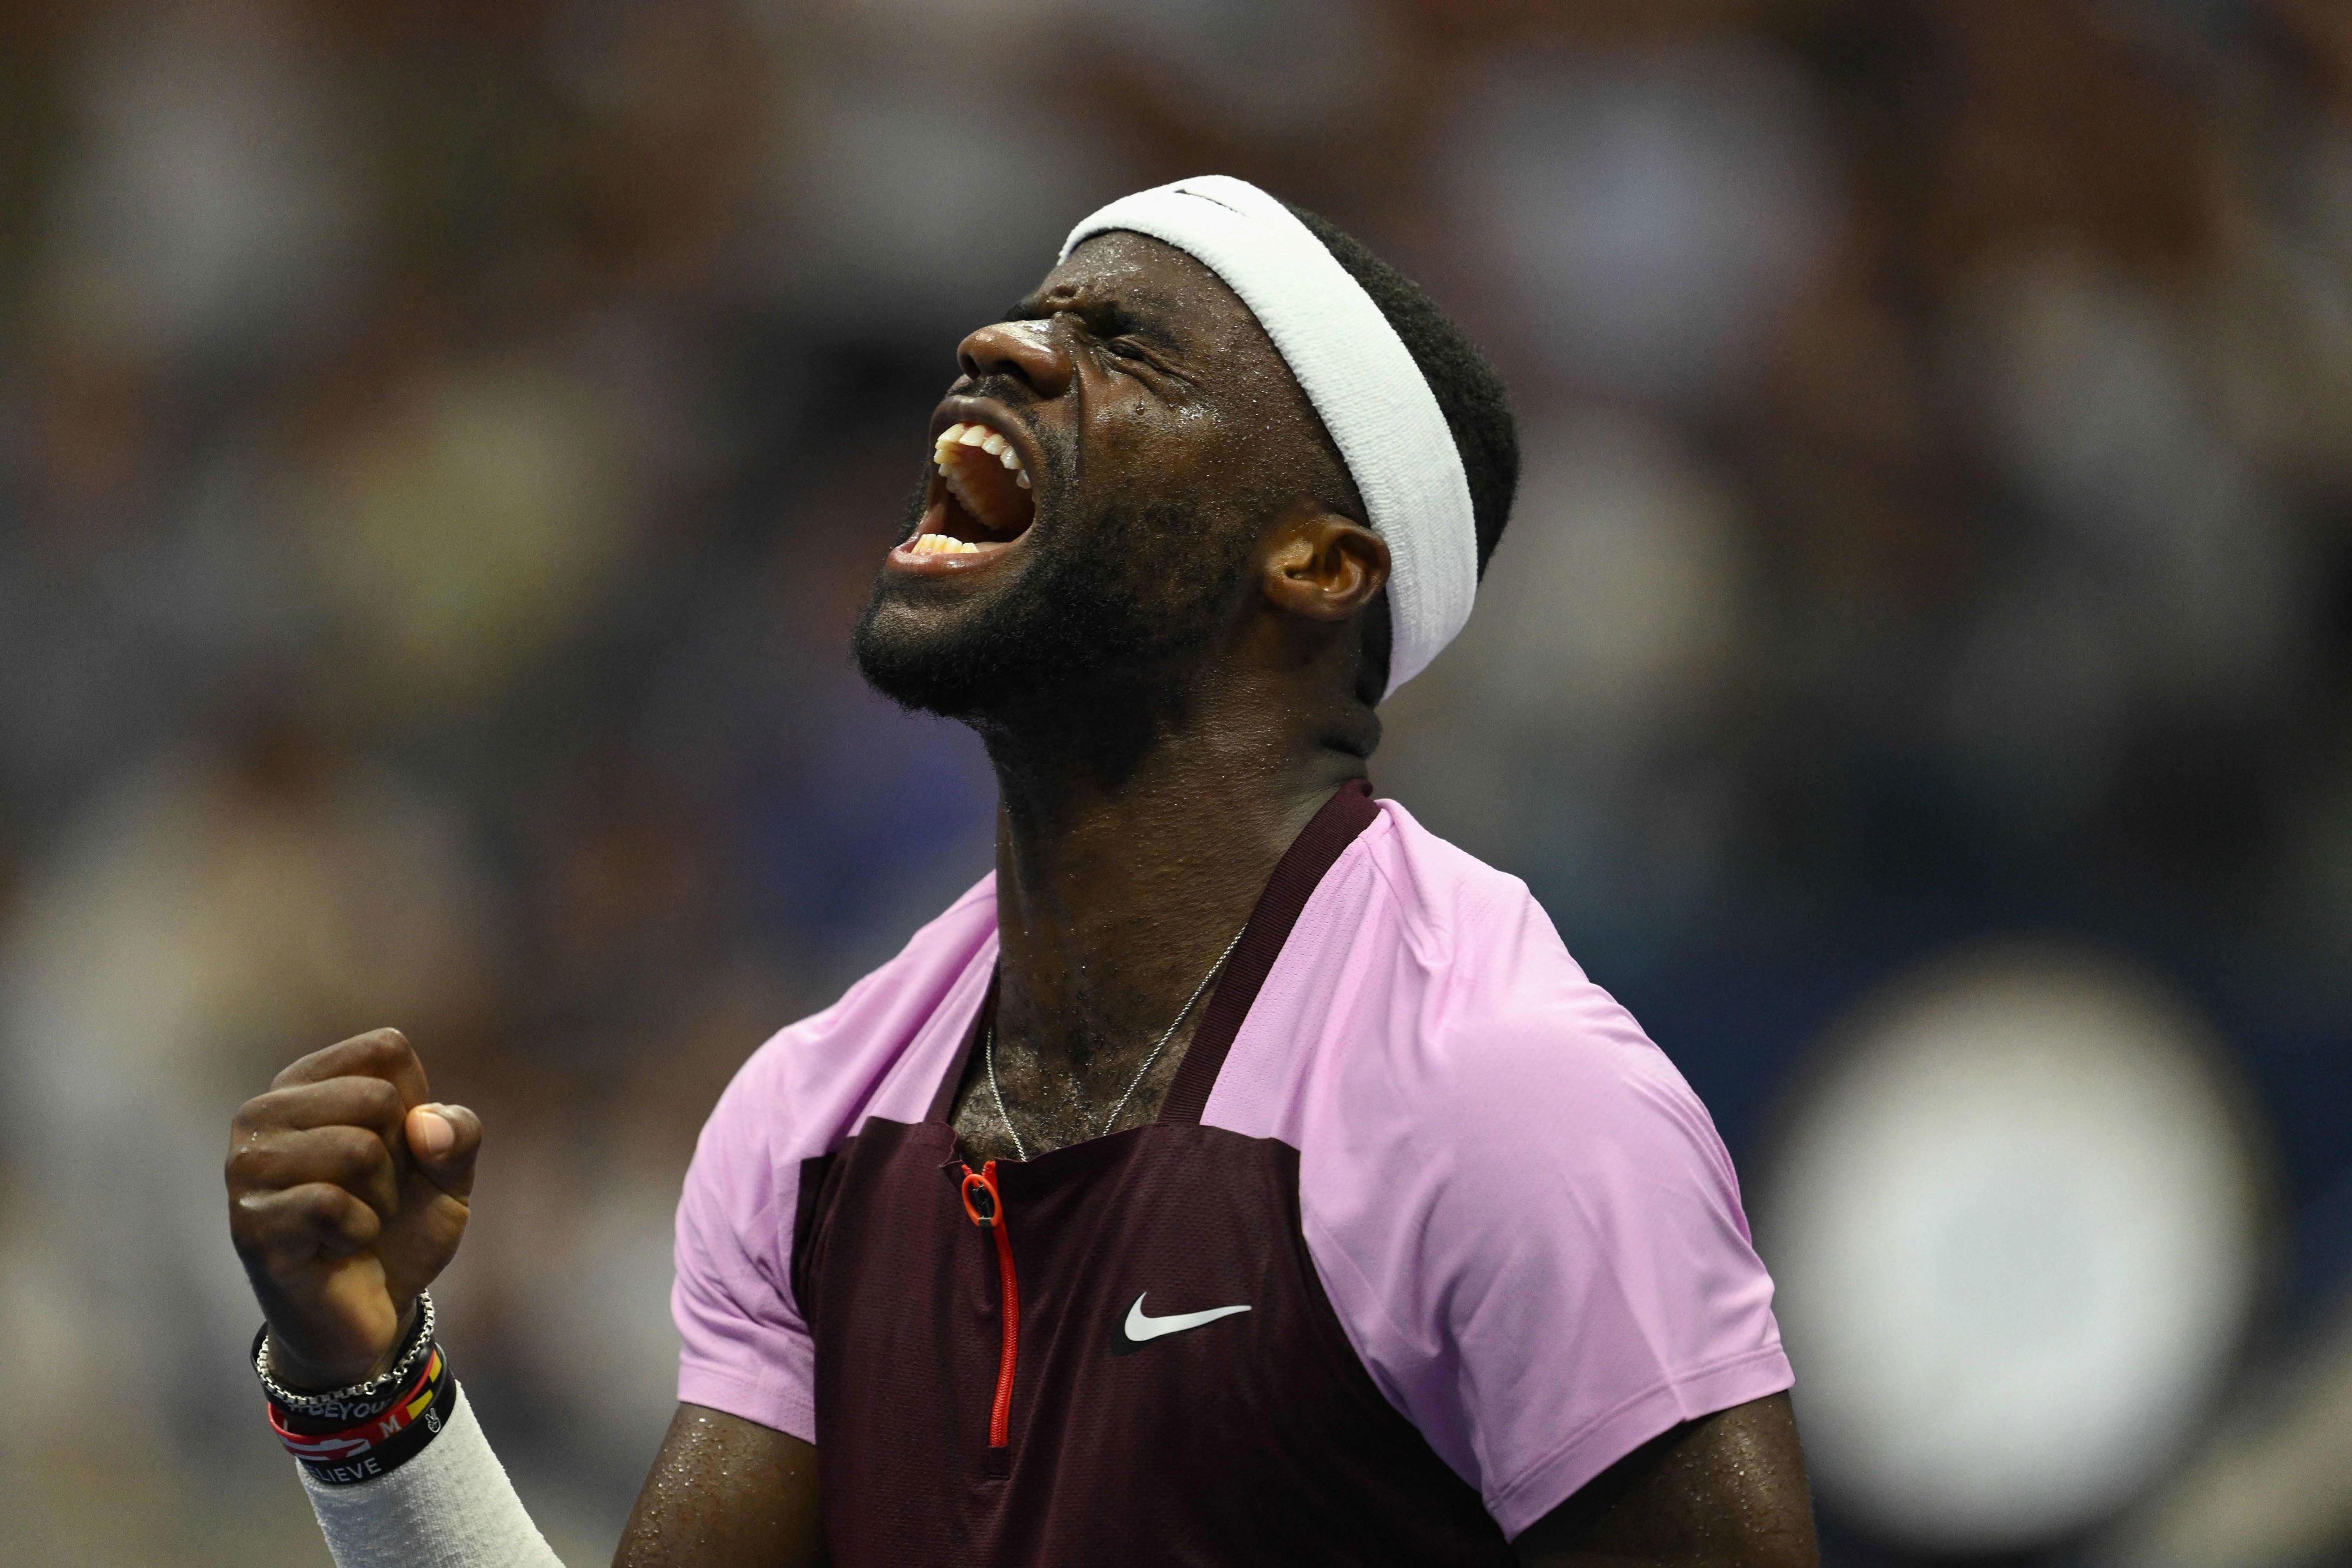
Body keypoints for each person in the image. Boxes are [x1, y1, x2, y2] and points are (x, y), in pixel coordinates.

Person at [224, 176, 1816, 1566]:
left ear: (1320, 560)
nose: (1001, 346)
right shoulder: (815, 1120)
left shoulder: (1511, 1103)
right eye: (1031, 312)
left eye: (1126, 347)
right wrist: (361, 1381)